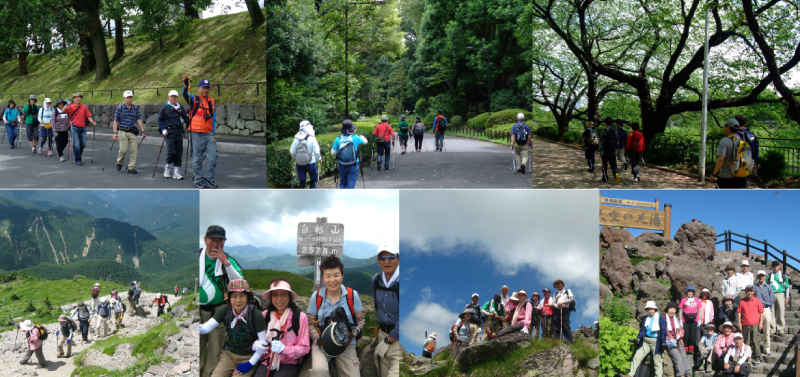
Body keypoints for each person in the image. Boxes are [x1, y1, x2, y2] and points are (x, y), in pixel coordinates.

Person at [306, 256, 365, 377]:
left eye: (336, 275)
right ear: (322, 278)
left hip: (346, 343)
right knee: (319, 371)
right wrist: (317, 338)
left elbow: (361, 320)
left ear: (342, 275)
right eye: (328, 276)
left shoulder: (352, 295)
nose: (332, 280)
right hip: (323, 342)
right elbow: (310, 322)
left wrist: (352, 334)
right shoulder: (317, 297)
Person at [199, 225, 245, 377]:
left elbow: (241, 283)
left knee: (215, 352)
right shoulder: (197, 256)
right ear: (205, 240)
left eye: (221, 241)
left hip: (217, 313)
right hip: (197, 312)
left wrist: (224, 261)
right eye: (213, 240)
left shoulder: (228, 260)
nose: (216, 244)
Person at [199, 279, 267, 377]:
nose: (238, 300)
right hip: (229, 355)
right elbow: (206, 328)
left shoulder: (255, 314)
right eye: (234, 296)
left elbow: (263, 345)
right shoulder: (225, 311)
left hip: (249, 357)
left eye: (242, 296)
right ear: (229, 298)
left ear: (248, 298)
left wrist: (250, 364)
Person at [253, 279, 311, 377]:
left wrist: (284, 349)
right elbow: (258, 338)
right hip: (267, 359)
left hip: (289, 362)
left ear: (289, 296)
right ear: (271, 297)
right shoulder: (265, 315)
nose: (279, 299)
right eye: (275, 295)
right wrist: (255, 345)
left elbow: (305, 348)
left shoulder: (300, 317)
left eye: (284, 294)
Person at [182, 75, 218, 189]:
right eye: (203, 87)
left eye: (207, 88)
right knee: (197, 158)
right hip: (196, 133)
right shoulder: (194, 99)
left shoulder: (211, 102)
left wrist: (214, 133)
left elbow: (213, 118)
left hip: (208, 134)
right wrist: (186, 85)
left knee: (213, 157)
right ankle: (198, 179)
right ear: (198, 89)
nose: (205, 90)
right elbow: (185, 94)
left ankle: (208, 179)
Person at [372, 244, 399, 377]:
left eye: (391, 257)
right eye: (382, 258)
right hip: (383, 335)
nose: (386, 261)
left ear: (398, 259)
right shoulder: (376, 280)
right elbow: (377, 306)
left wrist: (389, 339)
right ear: (378, 261)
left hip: (397, 339)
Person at [621, 301, 666, 377]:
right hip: (645, 342)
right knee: (636, 357)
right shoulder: (645, 318)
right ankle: (630, 375)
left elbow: (663, 331)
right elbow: (642, 330)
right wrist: (638, 339)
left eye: (651, 309)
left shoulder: (660, 318)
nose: (650, 311)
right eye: (648, 309)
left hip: (656, 342)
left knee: (657, 362)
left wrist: (663, 342)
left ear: (655, 309)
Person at [158, 90, 190, 180]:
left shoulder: (181, 108)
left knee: (179, 153)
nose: (173, 98)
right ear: (168, 98)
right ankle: (167, 167)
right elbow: (159, 120)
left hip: (179, 132)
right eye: (172, 96)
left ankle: (176, 172)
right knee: (171, 152)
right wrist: (163, 129)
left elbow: (186, 118)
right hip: (169, 133)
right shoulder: (165, 108)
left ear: (177, 98)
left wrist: (189, 126)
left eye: (175, 96)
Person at [112, 91, 146, 174]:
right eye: (127, 97)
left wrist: (143, 131)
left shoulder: (135, 108)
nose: (129, 99)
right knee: (123, 150)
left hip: (132, 131)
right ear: (124, 98)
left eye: (130, 97)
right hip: (122, 131)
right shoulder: (120, 108)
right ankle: (119, 162)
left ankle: (131, 167)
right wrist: (115, 133)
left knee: (134, 150)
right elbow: (116, 121)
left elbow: (139, 119)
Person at [710, 118, 747, 188]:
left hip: (726, 178)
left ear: (728, 127)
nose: (724, 128)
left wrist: (713, 174)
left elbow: (721, 159)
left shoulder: (724, 141)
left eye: (725, 126)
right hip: (741, 177)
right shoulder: (742, 141)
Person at [331, 120, 368, 189]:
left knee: (343, 182)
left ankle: (342, 197)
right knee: (351, 183)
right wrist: (361, 136)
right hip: (353, 164)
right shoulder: (355, 138)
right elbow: (365, 141)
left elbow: (333, 152)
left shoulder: (338, 139)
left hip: (341, 164)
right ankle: (348, 198)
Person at [64, 92, 97, 166]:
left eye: (79, 97)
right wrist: (67, 105)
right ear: (73, 99)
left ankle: (78, 154)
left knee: (83, 144)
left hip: (82, 127)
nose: (77, 99)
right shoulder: (70, 107)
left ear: (81, 98)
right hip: (74, 126)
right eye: (76, 97)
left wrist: (92, 122)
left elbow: (88, 116)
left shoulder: (84, 107)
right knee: (76, 145)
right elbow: (63, 111)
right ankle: (78, 159)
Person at [736, 285, 763, 366]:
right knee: (746, 342)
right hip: (745, 324)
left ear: (753, 292)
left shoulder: (757, 300)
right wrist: (739, 323)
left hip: (755, 324)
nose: (749, 292)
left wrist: (761, 323)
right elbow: (739, 312)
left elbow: (761, 312)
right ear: (745, 292)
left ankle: (757, 356)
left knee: (755, 341)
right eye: (747, 291)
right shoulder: (742, 301)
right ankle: (747, 357)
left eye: (750, 291)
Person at [663, 301, 692, 377]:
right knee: (678, 358)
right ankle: (681, 375)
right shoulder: (663, 319)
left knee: (684, 357)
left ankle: (688, 374)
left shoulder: (676, 319)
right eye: (670, 309)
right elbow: (662, 332)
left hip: (678, 341)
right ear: (667, 310)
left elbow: (681, 330)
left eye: (674, 309)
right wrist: (671, 338)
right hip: (669, 342)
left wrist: (678, 335)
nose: (672, 311)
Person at [290, 121, 321, 189]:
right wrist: (319, 159)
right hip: (311, 162)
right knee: (313, 180)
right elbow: (317, 152)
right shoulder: (312, 138)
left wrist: (296, 158)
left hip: (299, 163)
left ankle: (302, 197)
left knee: (302, 181)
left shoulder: (296, 138)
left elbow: (292, 151)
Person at [752, 270, 774, 356]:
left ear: (765, 277)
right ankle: (755, 348)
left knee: (767, 329)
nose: (761, 277)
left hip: (765, 309)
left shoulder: (769, 287)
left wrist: (767, 308)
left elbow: (771, 300)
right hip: (756, 310)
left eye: (763, 276)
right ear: (757, 277)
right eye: (759, 276)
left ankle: (766, 348)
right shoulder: (754, 287)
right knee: (755, 330)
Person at [767, 261, 790, 336]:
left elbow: (787, 287)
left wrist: (786, 297)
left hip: (780, 294)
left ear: (779, 266)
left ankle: (780, 329)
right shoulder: (769, 276)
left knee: (780, 312)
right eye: (773, 266)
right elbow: (766, 286)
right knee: (771, 312)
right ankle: (772, 329)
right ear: (772, 267)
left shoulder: (783, 276)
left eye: (776, 266)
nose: (775, 267)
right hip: (771, 294)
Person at [678, 286, 700, 353]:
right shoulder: (683, 300)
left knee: (693, 334)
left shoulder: (696, 300)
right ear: (686, 293)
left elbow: (699, 309)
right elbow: (681, 310)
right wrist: (680, 319)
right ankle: (686, 347)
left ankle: (691, 348)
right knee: (686, 334)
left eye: (691, 292)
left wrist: (699, 319)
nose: (690, 293)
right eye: (688, 292)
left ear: (693, 293)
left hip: (694, 320)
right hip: (685, 320)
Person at [553, 280, 575, 344]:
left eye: (559, 284)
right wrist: (557, 306)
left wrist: (563, 302)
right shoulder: (555, 294)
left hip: (565, 309)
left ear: (562, 284)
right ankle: (557, 341)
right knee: (557, 326)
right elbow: (553, 303)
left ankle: (569, 342)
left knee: (565, 325)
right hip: (557, 310)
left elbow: (571, 299)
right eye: (556, 285)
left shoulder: (567, 291)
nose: (558, 285)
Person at [599, 118, 620, 184]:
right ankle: (616, 174)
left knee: (604, 165)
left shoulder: (604, 131)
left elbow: (601, 141)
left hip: (605, 151)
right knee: (613, 165)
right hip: (613, 151)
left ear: (606, 123)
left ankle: (605, 177)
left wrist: (600, 150)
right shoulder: (615, 130)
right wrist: (616, 147)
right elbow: (617, 140)